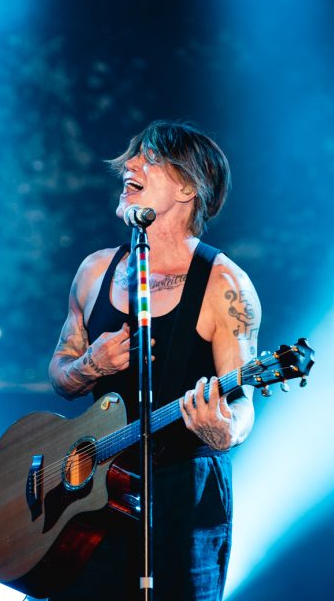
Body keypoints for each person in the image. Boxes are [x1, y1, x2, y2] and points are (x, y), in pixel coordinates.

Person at [47, 120, 261, 600]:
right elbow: (60, 374)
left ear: (187, 187)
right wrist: (89, 366)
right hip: (93, 487)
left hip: (182, 491)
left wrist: (226, 432)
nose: (130, 165)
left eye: (149, 159)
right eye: (132, 156)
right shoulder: (96, 270)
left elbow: (242, 400)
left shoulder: (224, 285)